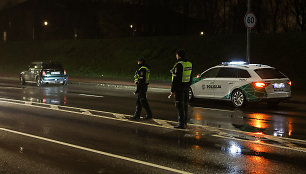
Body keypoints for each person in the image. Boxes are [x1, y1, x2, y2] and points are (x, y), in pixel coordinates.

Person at [169, 50, 193, 129]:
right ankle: (185, 122)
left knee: (179, 105)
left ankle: (181, 124)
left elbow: (175, 79)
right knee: (185, 105)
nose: (176, 56)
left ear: (178, 55)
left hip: (179, 88)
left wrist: (172, 90)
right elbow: (191, 76)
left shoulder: (178, 65)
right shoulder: (189, 64)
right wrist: (188, 85)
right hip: (186, 87)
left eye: (176, 55)